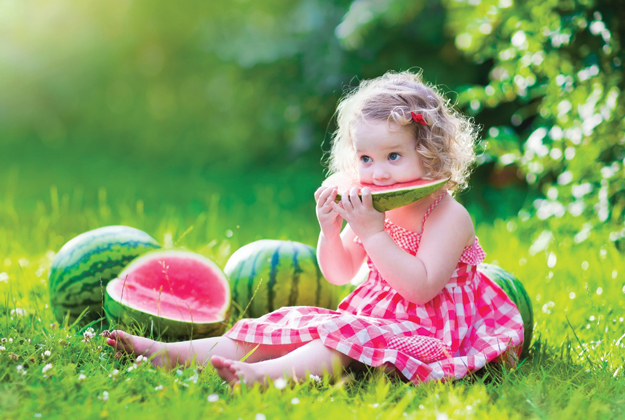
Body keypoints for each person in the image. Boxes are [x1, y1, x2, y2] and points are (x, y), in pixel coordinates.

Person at [106, 70, 524, 385]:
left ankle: (264, 378)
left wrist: (374, 233)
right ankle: (170, 353)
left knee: (336, 342)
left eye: (393, 156)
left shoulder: (448, 215)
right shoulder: (373, 205)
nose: (377, 174)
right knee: (288, 322)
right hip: (371, 321)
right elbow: (340, 273)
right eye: (365, 159)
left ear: (430, 154)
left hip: (433, 336)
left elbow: (421, 288)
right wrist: (330, 230)